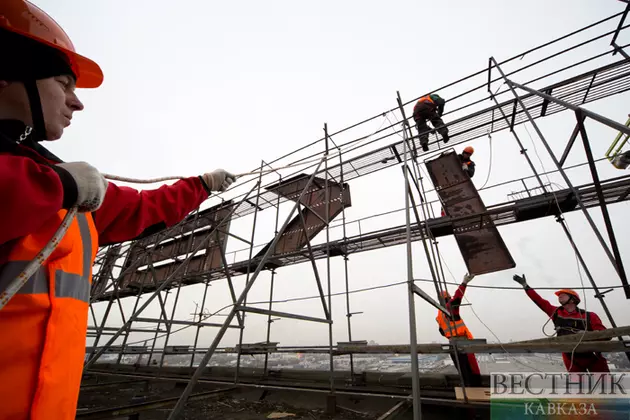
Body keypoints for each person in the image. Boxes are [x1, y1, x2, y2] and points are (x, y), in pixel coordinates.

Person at [0, 2, 236, 419]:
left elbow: (142, 208)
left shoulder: (63, 180)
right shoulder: (55, 182)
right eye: (63, 83)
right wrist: (54, 186)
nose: (77, 103)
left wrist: (203, 184)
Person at [513, 274, 610, 373]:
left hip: (591, 354)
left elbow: (605, 334)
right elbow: (540, 301)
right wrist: (526, 286)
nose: (559, 296)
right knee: (578, 385)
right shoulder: (556, 312)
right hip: (570, 356)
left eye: (563, 294)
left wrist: (587, 335)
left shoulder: (590, 316)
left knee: (604, 383)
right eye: (559, 295)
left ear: (573, 299)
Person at [436, 273, 482, 387]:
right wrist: (464, 283)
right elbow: (457, 298)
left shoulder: (439, 314)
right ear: (447, 298)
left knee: (462, 371)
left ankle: (467, 390)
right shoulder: (449, 308)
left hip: (452, 344)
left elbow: (442, 331)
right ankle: (476, 390)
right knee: (472, 369)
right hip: (463, 343)